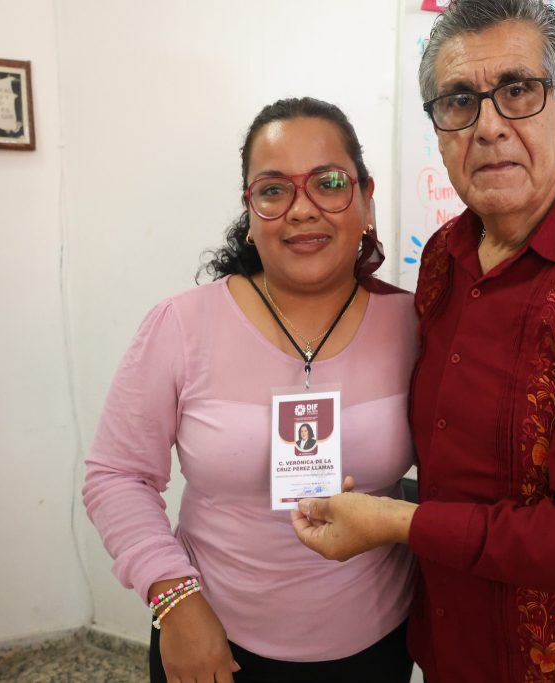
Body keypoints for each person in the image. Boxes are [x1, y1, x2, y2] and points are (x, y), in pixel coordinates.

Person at [292, 2, 555, 682]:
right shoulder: (445, 256)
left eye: (518, 90)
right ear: (439, 128)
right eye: (459, 101)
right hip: (457, 645)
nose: (488, 126)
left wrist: (396, 523)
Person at [84, 97, 417, 683]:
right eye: (273, 190)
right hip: (214, 643)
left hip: (377, 644)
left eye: (329, 183)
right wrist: (174, 598)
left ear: (366, 198)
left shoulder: (416, 325)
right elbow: (116, 475)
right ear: (250, 209)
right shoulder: (181, 325)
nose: (302, 210)